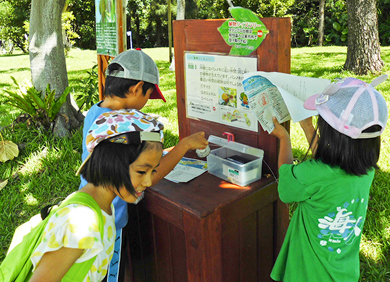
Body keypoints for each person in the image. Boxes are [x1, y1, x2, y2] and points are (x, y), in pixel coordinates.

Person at [80, 48, 208, 281]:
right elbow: (153, 176)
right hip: (110, 222)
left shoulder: (96, 113)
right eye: (148, 95)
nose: (146, 102)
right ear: (137, 88)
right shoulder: (120, 128)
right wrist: (185, 145)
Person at [269, 76, 388, 282]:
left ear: (332, 136)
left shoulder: (313, 174)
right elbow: (331, 163)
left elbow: (286, 190)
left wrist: (284, 138)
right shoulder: (365, 171)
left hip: (308, 273)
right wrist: (307, 129)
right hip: (343, 271)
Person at [29, 109, 165, 281]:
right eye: (141, 171)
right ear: (112, 162)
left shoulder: (105, 207)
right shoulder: (81, 223)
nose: (148, 182)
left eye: (153, 171)